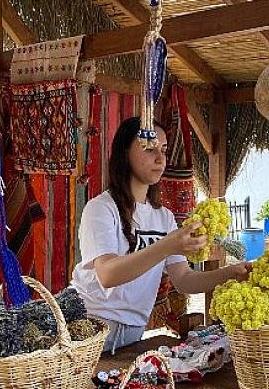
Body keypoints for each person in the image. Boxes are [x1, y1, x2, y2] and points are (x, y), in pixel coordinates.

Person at [71, 117, 251, 353]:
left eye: (164, 149)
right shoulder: (101, 208)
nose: (160, 158)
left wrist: (231, 273)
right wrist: (167, 246)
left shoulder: (163, 216)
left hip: (134, 332)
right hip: (90, 329)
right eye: (149, 148)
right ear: (125, 152)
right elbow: (107, 274)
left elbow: (184, 280)